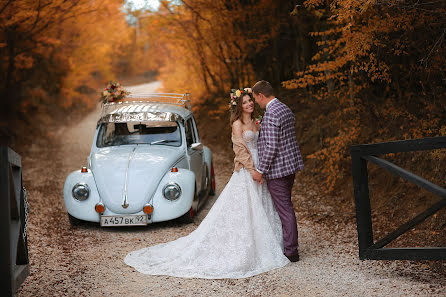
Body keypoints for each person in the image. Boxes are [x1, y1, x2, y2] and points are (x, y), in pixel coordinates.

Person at [124, 88, 290, 279]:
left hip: (262, 167)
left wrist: (263, 169)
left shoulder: (257, 121)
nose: (249, 104)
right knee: (244, 208)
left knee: (264, 204)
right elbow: (240, 150)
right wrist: (253, 170)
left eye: (250, 101)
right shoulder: (237, 124)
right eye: (244, 102)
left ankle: (267, 243)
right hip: (248, 170)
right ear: (239, 106)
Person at [251, 80, 304, 262]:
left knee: (285, 209)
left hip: (278, 170)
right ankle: (288, 244)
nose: (256, 103)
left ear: (261, 95)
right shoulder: (284, 108)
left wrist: (260, 170)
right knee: (286, 206)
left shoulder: (272, 113)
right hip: (290, 166)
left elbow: (272, 146)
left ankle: (291, 251)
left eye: (256, 99)